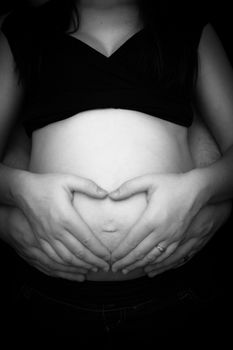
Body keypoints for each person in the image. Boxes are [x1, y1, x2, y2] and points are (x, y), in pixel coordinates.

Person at [0, 0, 232, 345]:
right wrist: (21, 189)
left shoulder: (189, 26)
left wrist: (197, 189)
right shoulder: (23, 28)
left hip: (175, 288)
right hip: (46, 293)